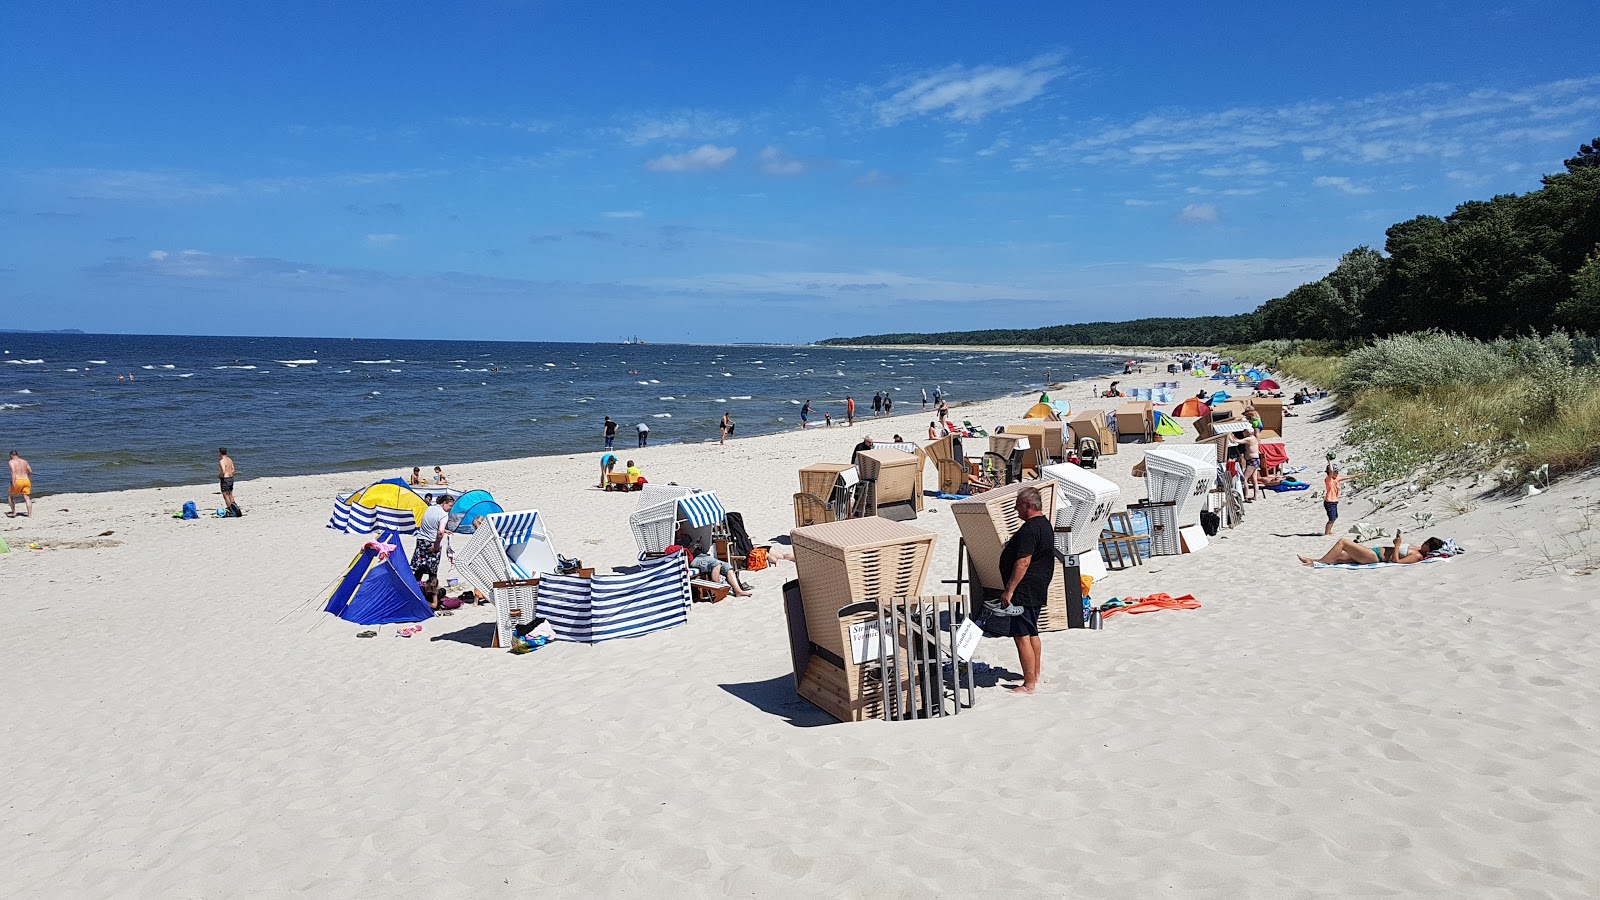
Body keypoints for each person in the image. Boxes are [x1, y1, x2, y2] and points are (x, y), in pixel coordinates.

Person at [990, 486, 1053, 695]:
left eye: (1018, 507)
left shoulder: (1030, 528)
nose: (1017, 511)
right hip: (1038, 585)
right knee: (1032, 630)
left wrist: (1009, 590)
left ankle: (1029, 685)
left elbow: (1023, 562)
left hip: (1025, 588)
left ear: (1028, 505)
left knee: (1021, 634)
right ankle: (1033, 675)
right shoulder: (1045, 525)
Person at [675, 524, 752, 597]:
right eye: (680, 530)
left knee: (728, 567)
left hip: (702, 556)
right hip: (693, 559)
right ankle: (717, 590)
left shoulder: (687, 537)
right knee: (716, 565)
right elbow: (686, 554)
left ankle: (738, 591)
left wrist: (698, 545)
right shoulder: (676, 542)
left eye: (683, 529)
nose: (682, 531)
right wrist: (691, 549)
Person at [1299, 532, 1446, 567]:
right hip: (1374, 552)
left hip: (1374, 557)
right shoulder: (1416, 548)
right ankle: (1314, 561)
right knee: (1339, 557)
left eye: (1427, 544)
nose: (1424, 544)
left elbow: (1397, 562)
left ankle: (1318, 563)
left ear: (1429, 549)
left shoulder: (1417, 556)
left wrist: (1396, 545)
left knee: (1343, 543)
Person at [413, 495, 455, 608]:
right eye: (450, 506)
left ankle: (413, 594)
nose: (451, 508)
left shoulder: (430, 508)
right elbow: (440, 532)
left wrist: (443, 530)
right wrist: (436, 545)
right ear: (444, 503)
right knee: (432, 573)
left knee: (419, 569)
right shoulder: (443, 515)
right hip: (432, 542)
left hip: (421, 541)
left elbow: (430, 524)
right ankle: (432, 601)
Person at [1323, 453, 1358, 536]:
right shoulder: (1328, 479)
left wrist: (1357, 475)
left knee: (1335, 517)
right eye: (1336, 472)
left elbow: (1347, 477)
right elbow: (1331, 471)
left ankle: (1329, 531)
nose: (1337, 473)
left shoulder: (1336, 479)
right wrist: (1329, 461)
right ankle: (1326, 533)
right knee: (1331, 518)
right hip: (1329, 501)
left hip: (1334, 501)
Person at [8, 450, 34, 518]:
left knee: (10, 496)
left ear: (11, 455)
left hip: (18, 480)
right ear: (17, 454)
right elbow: (30, 471)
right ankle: (30, 515)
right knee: (27, 498)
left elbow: (13, 471)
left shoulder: (11, 462)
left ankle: (13, 512)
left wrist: (13, 481)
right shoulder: (24, 461)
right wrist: (28, 478)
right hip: (26, 480)